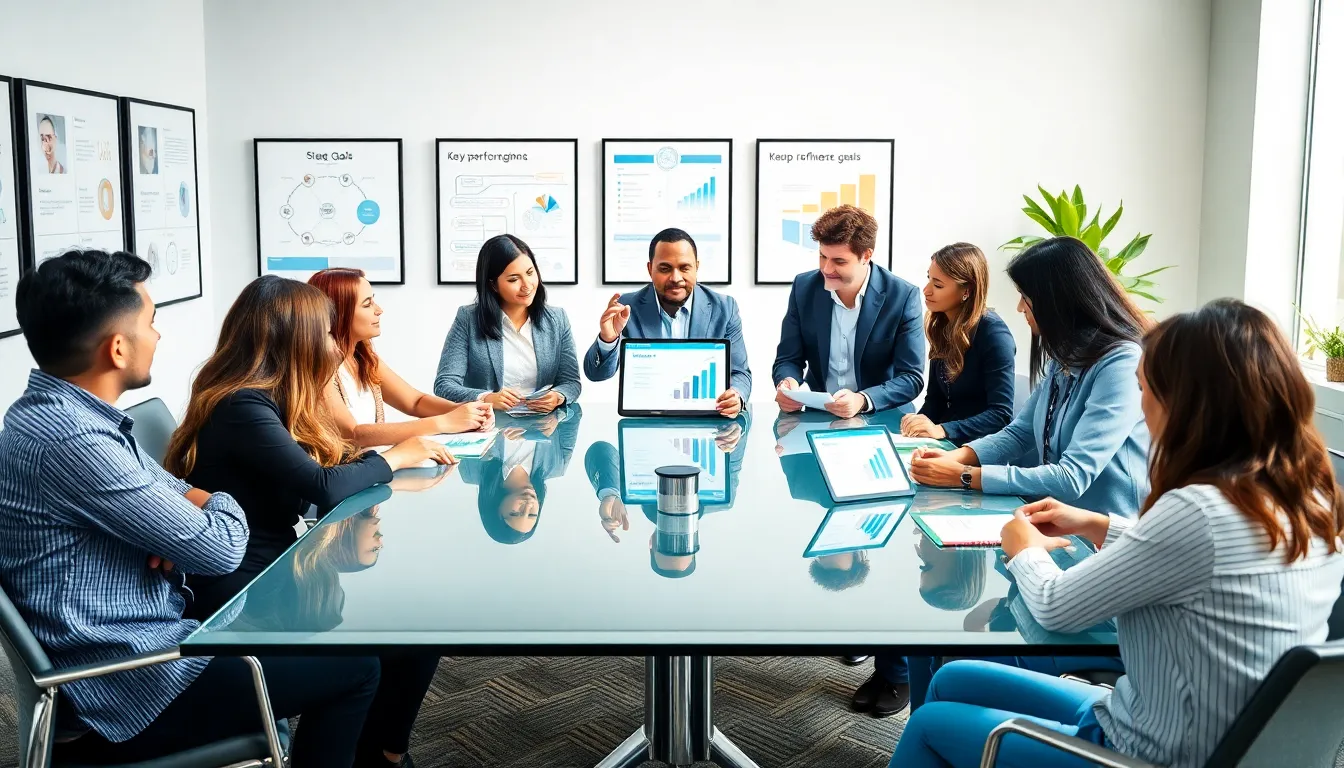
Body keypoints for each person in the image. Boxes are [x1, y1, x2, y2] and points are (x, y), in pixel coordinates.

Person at [890, 298, 1344, 768]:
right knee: (953, 679)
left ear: (1189, 406)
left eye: (1145, 390)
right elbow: (1206, 558)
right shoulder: (1309, 499)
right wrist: (1100, 524)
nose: (1141, 408)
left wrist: (1024, 549)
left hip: (1147, 751)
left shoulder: (1196, 511)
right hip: (1208, 731)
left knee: (928, 725)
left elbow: (1056, 607)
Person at [0, 249, 385, 768]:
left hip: (143, 644)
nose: (158, 335)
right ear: (118, 348)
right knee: (357, 667)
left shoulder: (57, 416)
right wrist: (210, 505)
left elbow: (177, 491)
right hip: (134, 687)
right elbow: (221, 548)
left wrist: (187, 509)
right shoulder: (76, 440)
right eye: (150, 322)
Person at [907, 237, 1151, 519]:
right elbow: (1019, 434)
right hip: (1051, 516)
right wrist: (953, 457)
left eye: (1026, 297)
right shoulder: (1065, 356)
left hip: (1102, 531)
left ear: (1057, 300)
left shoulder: (1122, 363)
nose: (1020, 307)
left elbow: (1072, 477)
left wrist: (964, 475)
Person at [310, 267, 492, 447]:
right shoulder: (318, 369)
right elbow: (354, 434)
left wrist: (468, 411)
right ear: (337, 314)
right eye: (367, 304)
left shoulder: (364, 358)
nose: (379, 310)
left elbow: (414, 402)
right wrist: (443, 422)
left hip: (372, 462)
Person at [773, 205, 925, 419]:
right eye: (822, 256)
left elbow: (911, 378)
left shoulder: (902, 296)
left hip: (881, 416)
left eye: (839, 261)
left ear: (866, 255)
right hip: (819, 415)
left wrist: (862, 400)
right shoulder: (803, 288)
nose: (826, 269)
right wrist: (787, 383)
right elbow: (788, 358)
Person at [583, 228, 750, 418]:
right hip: (648, 422)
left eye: (684, 268)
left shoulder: (725, 308)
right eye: (665, 269)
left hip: (708, 422)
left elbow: (741, 373)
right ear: (650, 269)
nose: (676, 278)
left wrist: (736, 396)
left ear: (696, 267)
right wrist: (608, 339)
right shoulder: (627, 307)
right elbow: (596, 374)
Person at [435, 234, 582, 412]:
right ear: (493, 285)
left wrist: (558, 396)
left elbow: (570, 382)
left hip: (543, 423)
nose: (527, 285)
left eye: (530, 273)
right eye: (513, 279)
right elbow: (444, 384)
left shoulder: (557, 319)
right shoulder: (468, 319)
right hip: (488, 421)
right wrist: (486, 398)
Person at [901, 242, 1016, 444]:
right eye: (929, 279)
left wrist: (942, 430)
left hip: (978, 447)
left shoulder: (995, 335)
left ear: (967, 291)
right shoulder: (943, 326)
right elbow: (936, 399)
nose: (926, 290)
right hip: (946, 441)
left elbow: (1000, 415)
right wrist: (916, 426)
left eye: (938, 285)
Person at [461, 405, 583, 544]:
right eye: (532, 514)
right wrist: (559, 416)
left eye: (515, 513)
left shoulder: (471, 470)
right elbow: (575, 411)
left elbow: (461, 415)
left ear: (497, 510)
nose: (528, 505)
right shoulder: (556, 466)